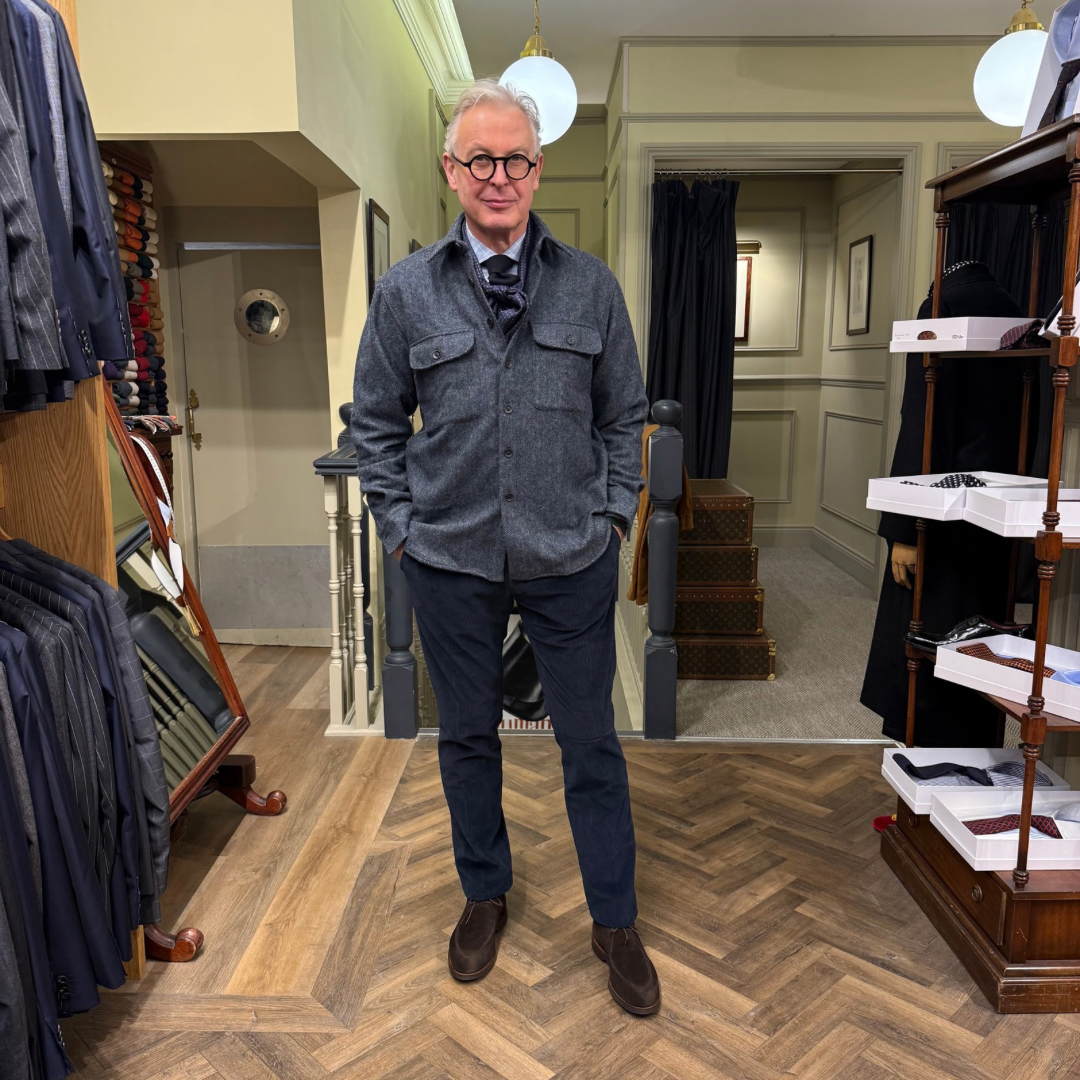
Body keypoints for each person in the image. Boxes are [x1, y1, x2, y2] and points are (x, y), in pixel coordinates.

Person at [351, 79, 658, 1015]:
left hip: (572, 556)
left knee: (593, 745)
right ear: (452, 170)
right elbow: (372, 425)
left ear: (536, 168)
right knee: (467, 740)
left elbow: (626, 418)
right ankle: (485, 896)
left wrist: (611, 520)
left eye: (515, 159)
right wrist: (402, 534)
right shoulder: (405, 293)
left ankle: (613, 918)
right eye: (478, 159)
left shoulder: (591, 285)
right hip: (449, 562)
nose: (498, 177)